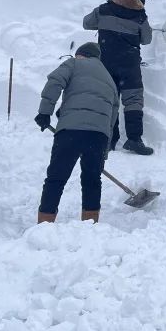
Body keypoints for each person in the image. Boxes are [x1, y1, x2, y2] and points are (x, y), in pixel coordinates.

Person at [35, 42, 118, 224]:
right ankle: (90, 223)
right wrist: (103, 151)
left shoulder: (74, 63)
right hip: (98, 136)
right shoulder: (109, 79)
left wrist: (44, 112)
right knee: (92, 180)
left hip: (71, 131)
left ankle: (45, 224)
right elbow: (112, 117)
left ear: (81, 54)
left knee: (56, 177)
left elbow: (55, 81)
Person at [82, 0, 154, 155]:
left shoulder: (104, 9)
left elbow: (86, 23)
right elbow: (147, 39)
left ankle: (108, 140)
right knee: (133, 101)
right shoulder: (140, 16)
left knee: (108, 100)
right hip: (129, 64)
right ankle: (134, 140)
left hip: (105, 63)